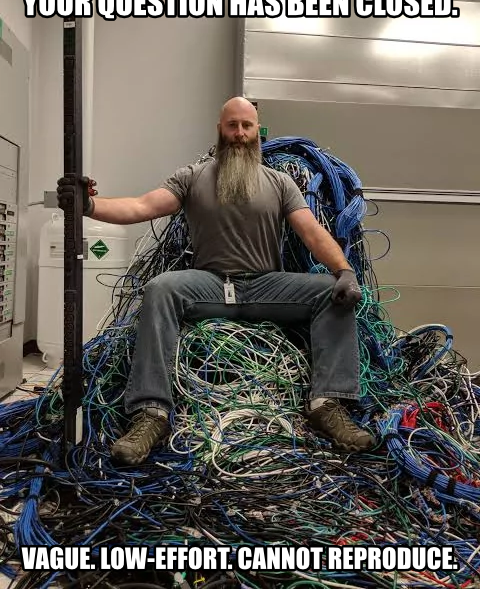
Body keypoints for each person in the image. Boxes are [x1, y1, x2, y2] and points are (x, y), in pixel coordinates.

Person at [57, 96, 376, 465]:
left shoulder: (280, 182)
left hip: (265, 287)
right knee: (162, 288)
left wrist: (344, 271)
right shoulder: (192, 177)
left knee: (329, 293)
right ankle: (151, 414)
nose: (239, 133)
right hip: (207, 285)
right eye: (232, 126)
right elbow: (142, 206)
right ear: (220, 130)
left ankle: (327, 405)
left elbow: (311, 233)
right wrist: (90, 206)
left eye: (247, 126)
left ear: (258, 131)